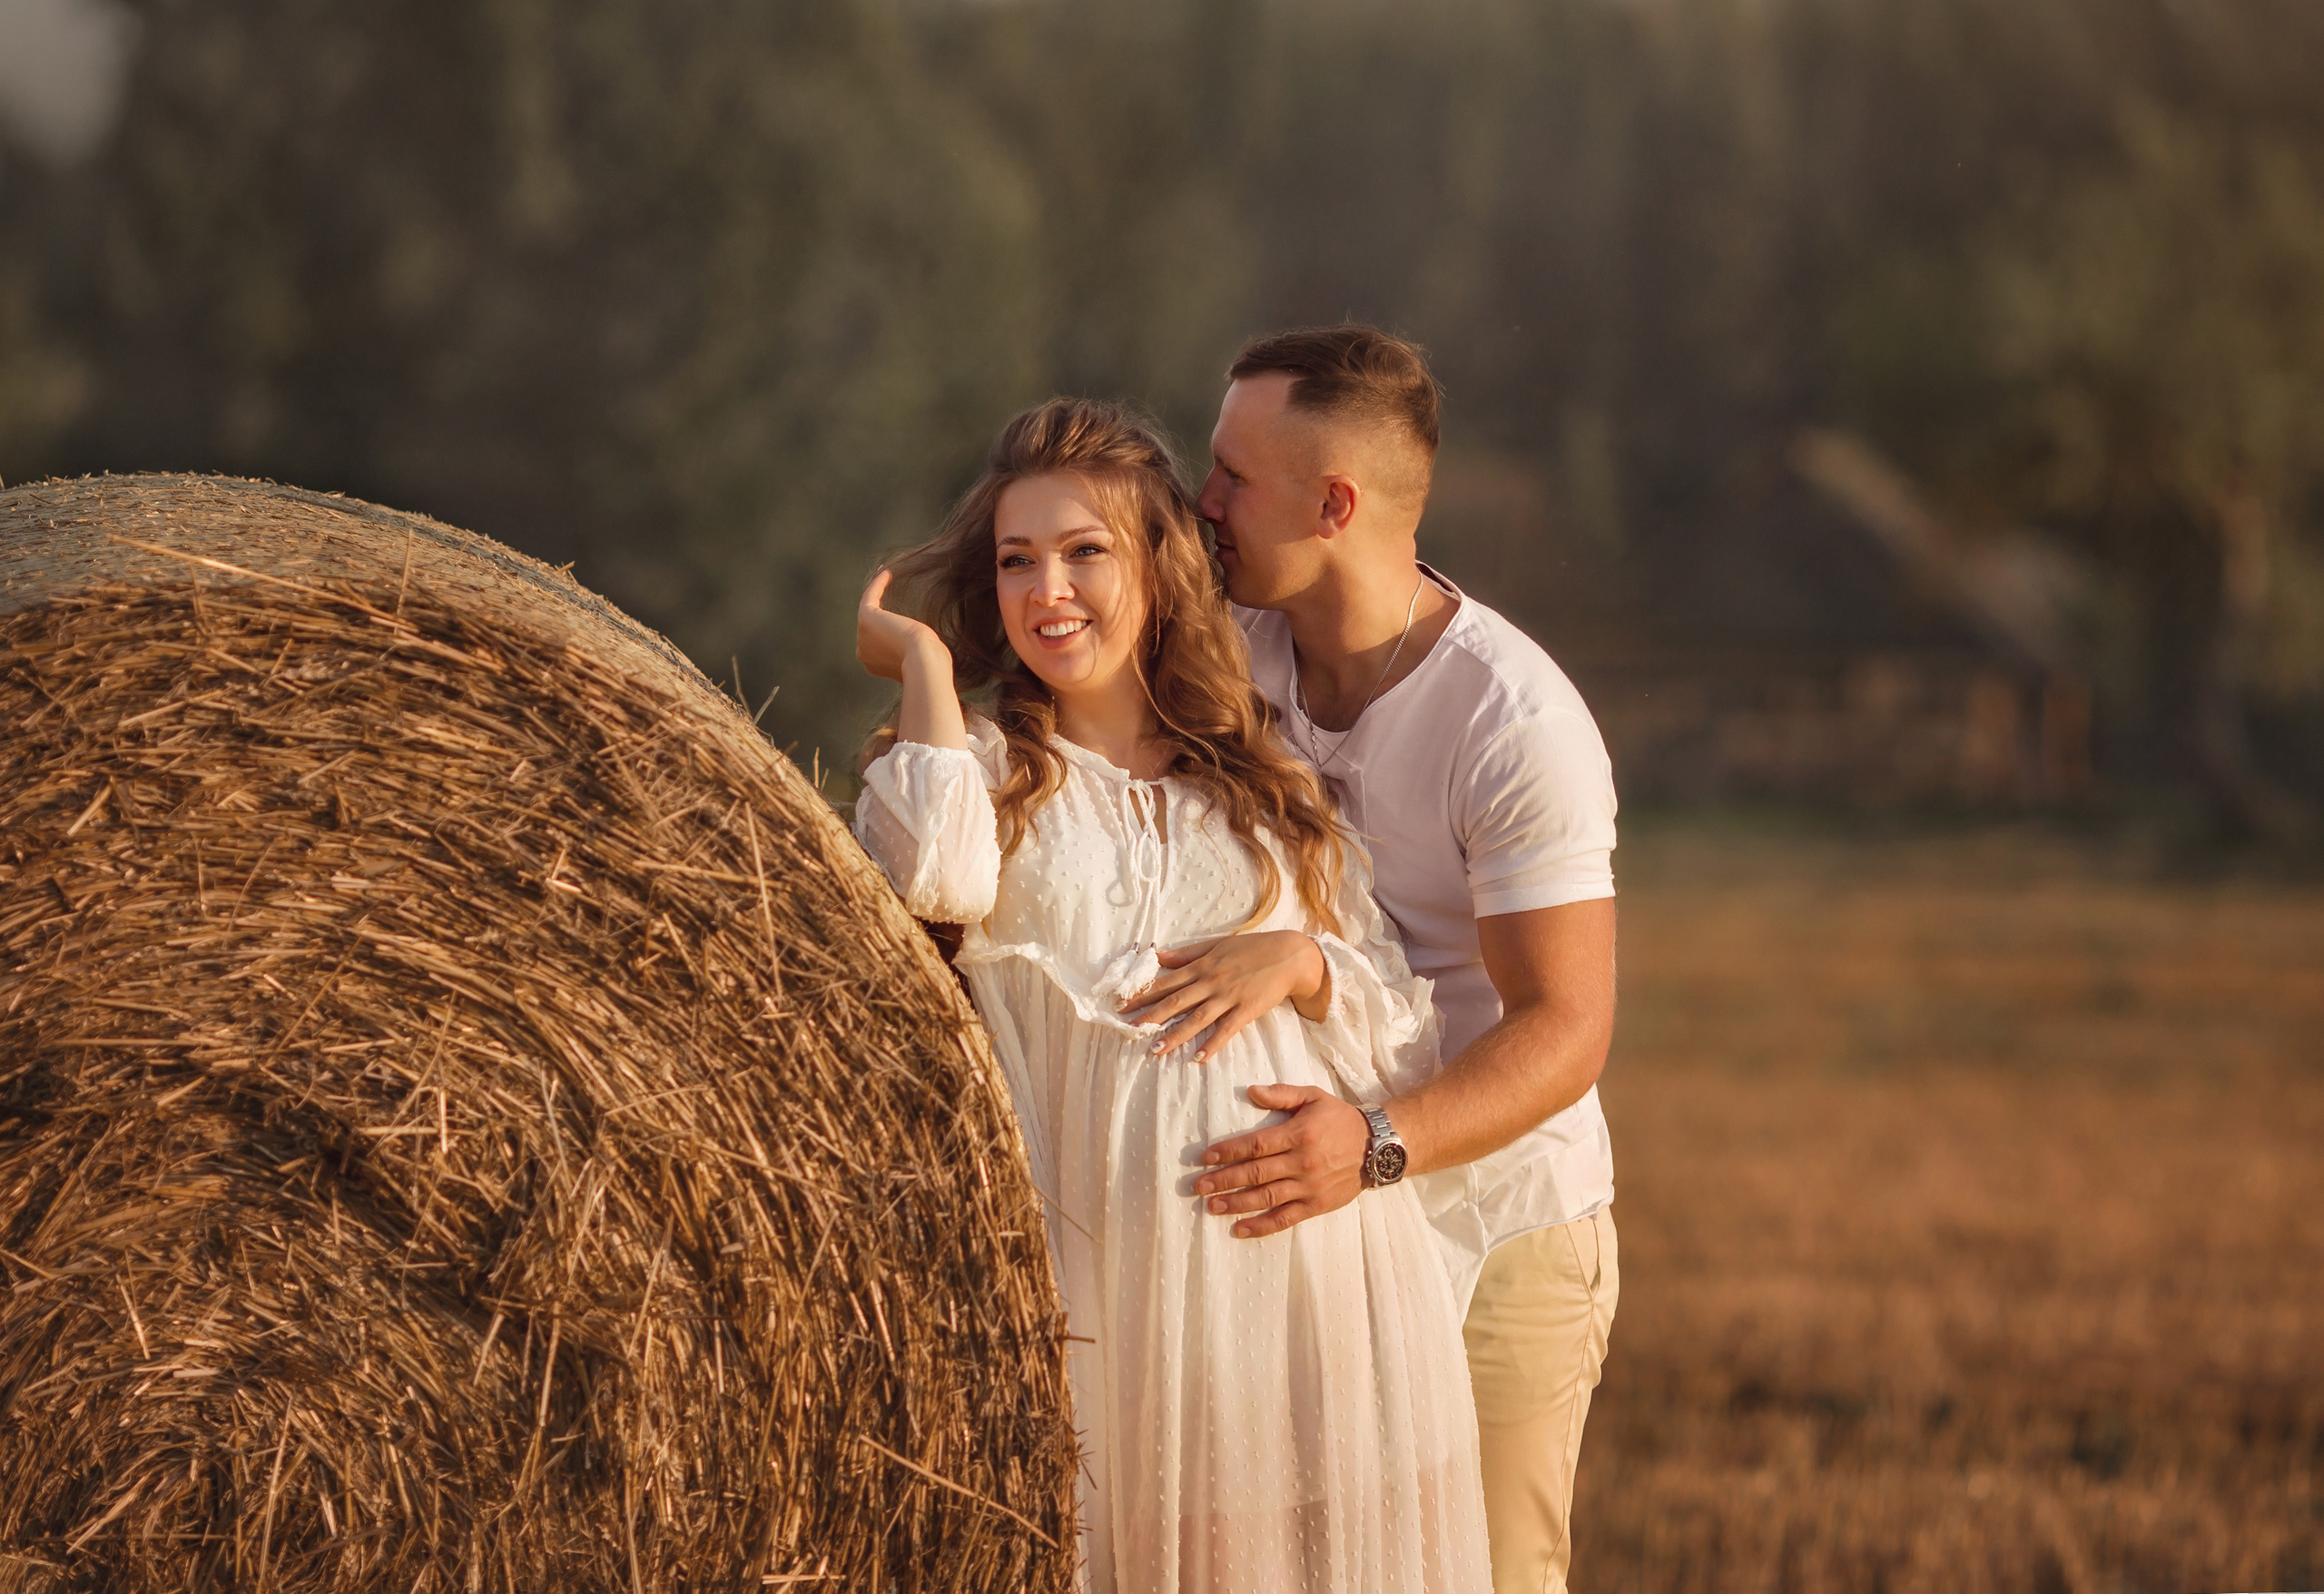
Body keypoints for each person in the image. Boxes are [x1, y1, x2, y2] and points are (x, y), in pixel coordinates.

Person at [848, 397, 1491, 1594]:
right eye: (1016, 560)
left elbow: (1401, 1028)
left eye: (1085, 551)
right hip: (1096, 1299)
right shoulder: (978, 770)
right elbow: (931, 878)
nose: (1049, 591)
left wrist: (1301, 964)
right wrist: (926, 666)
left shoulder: (1266, 784)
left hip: (1294, 1285)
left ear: (1155, 564)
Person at [1122, 327, 1620, 1594]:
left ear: (1334, 503)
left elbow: (1565, 1026)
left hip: (1497, 1223)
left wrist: (1376, 1144)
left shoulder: (1514, 721)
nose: (1204, 504)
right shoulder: (1236, 649)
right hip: (1319, 1225)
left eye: (1233, 476)